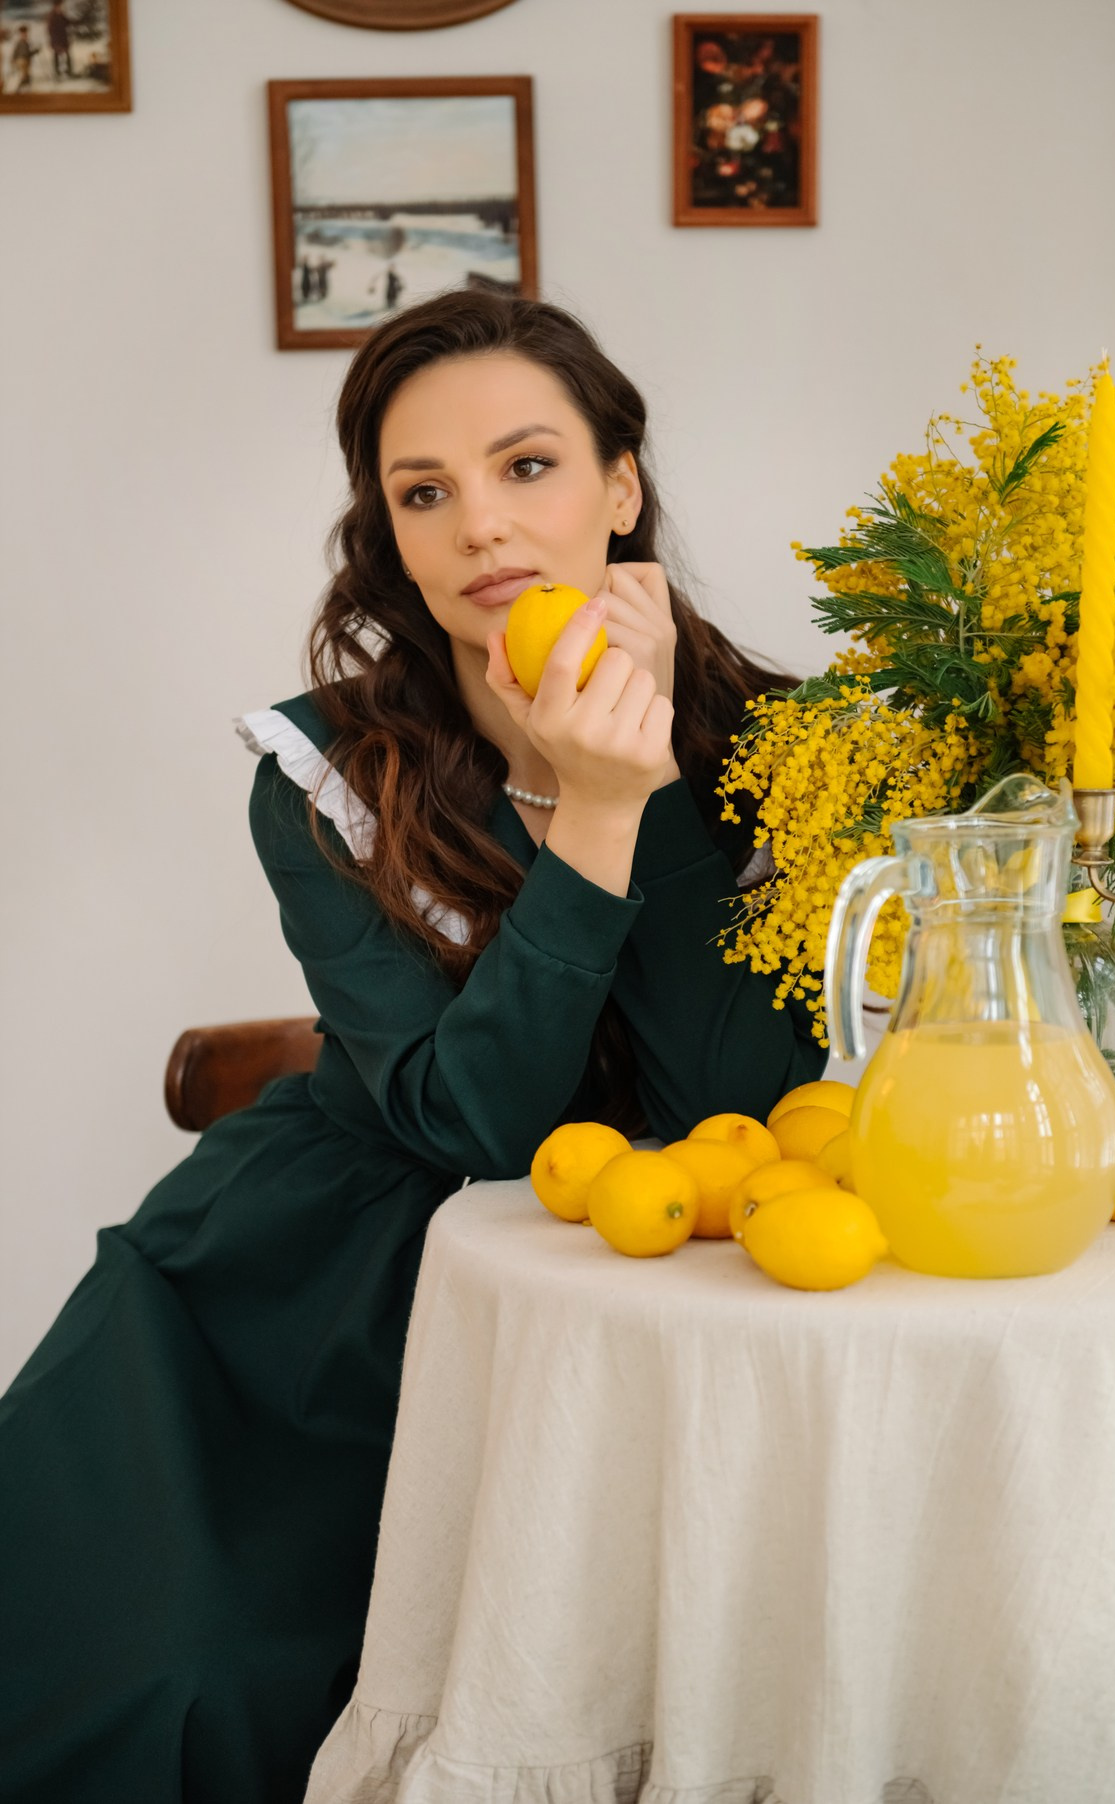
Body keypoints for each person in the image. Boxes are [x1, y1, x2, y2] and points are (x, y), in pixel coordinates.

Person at [0, 290, 824, 1802]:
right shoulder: (331, 769)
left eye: (527, 468)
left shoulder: (784, 742)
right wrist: (594, 816)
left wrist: (652, 776)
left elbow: (733, 1109)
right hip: (297, 1321)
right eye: (422, 492)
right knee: (185, 1686)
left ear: (620, 487)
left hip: (649, 1318)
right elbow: (471, 1125)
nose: (478, 530)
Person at [46, 0, 71, 80]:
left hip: (63, 38)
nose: (60, 8)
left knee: (67, 54)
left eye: (60, 6)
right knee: (56, 55)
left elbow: (67, 22)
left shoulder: (61, 14)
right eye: (59, 6)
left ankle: (69, 71)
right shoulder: (52, 16)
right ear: (55, 6)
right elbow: (50, 29)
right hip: (56, 39)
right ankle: (57, 72)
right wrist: (53, 39)